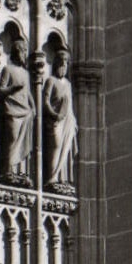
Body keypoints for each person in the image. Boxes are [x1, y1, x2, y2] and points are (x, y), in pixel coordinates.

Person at [0, 35, 34, 185]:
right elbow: (1, 90)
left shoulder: (25, 73)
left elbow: (28, 93)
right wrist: (13, 88)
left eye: (26, 51)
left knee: (24, 141)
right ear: (15, 52)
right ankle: (9, 170)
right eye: (22, 51)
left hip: (25, 112)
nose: (24, 54)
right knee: (12, 139)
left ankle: (21, 172)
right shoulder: (8, 69)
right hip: (12, 110)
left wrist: (33, 106)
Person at [43, 50, 77, 188]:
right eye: (61, 63)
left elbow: (69, 105)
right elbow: (45, 101)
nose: (63, 66)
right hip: (55, 120)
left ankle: (63, 178)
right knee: (56, 145)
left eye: (65, 64)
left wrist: (73, 119)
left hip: (68, 120)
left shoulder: (68, 84)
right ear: (56, 64)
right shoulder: (51, 81)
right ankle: (52, 176)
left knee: (66, 148)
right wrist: (53, 114)